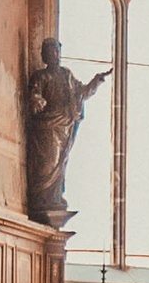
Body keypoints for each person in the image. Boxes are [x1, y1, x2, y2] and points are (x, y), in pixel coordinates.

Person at [22, 34, 108, 224]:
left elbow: (81, 94)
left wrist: (96, 82)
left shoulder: (67, 75)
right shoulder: (41, 76)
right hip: (47, 128)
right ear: (44, 56)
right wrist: (38, 100)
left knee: (60, 163)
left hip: (65, 127)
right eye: (49, 52)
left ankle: (53, 198)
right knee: (48, 163)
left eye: (56, 51)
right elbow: (34, 94)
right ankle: (42, 199)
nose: (54, 54)